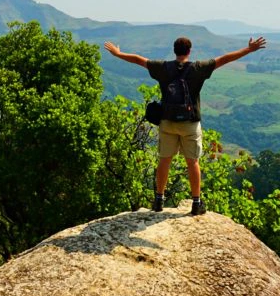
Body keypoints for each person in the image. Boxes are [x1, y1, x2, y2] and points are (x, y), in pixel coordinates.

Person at [103, 35, 267, 214]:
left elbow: (138, 60)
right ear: (189, 51)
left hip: (167, 122)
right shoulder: (198, 68)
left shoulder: (163, 68)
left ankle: (158, 200)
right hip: (190, 123)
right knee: (193, 162)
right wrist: (248, 50)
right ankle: (196, 203)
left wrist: (118, 53)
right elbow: (225, 59)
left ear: (175, 51)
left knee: (165, 160)